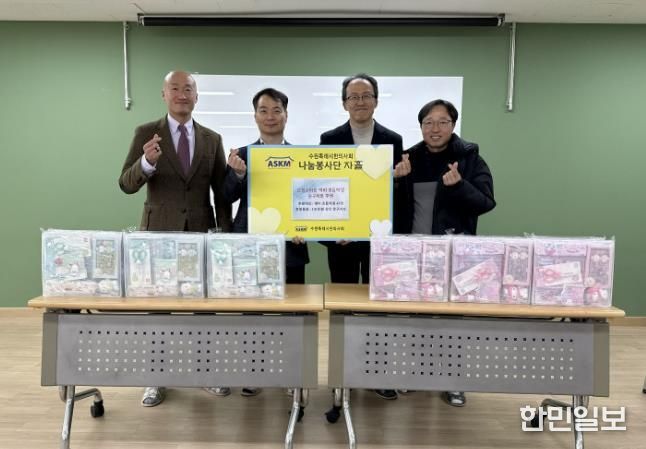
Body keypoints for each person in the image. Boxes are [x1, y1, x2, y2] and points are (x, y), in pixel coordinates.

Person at [119, 70, 232, 407]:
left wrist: (225, 235)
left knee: (204, 309)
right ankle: (156, 379)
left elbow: (221, 193)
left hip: (201, 233)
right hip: (158, 236)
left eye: (188, 89)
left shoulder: (212, 139)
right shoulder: (145, 133)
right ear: (164, 94)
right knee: (159, 311)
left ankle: (206, 372)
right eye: (175, 88)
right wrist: (146, 162)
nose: (182, 94)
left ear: (196, 96)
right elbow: (126, 184)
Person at [208, 88, 309, 397]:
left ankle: (292, 375)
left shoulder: (303, 156)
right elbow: (225, 197)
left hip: (291, 246)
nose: (270, 116)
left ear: (286, 115)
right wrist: (237, 175)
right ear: (255, 116)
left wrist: (306, 226)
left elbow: (309, 201)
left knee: (294, 314)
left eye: (276, 110)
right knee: (252, 314)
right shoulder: (242, 154)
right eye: (263, 110)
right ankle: (253, 372)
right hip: (249, 248)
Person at [397, 98, 496, 407]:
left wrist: (459, 186)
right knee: (417, 318)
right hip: (415, 254)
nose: (435, 128)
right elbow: (396, 209)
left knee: (452, 319)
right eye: (428, 122)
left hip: (454, 253)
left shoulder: (470, 158)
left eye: (442, 122)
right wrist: (396, 181)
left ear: (453, 125)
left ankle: (453, 381)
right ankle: (417, 374)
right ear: (421, 126)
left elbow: (486, 202)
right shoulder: (409, 158)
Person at [320, 73, 404, 401]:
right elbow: (326, 188)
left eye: (366, 95)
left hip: (379, 241)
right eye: (353, 97)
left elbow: (395, 193)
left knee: (378, 306)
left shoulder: (393, 140)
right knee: (342, 307)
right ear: (344, 104)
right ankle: (342, 375)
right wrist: (332, 233)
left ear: (376, 101)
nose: (360, 102)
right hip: (342, 240)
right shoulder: (329, 138)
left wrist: (400, 180)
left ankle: (377, 372)